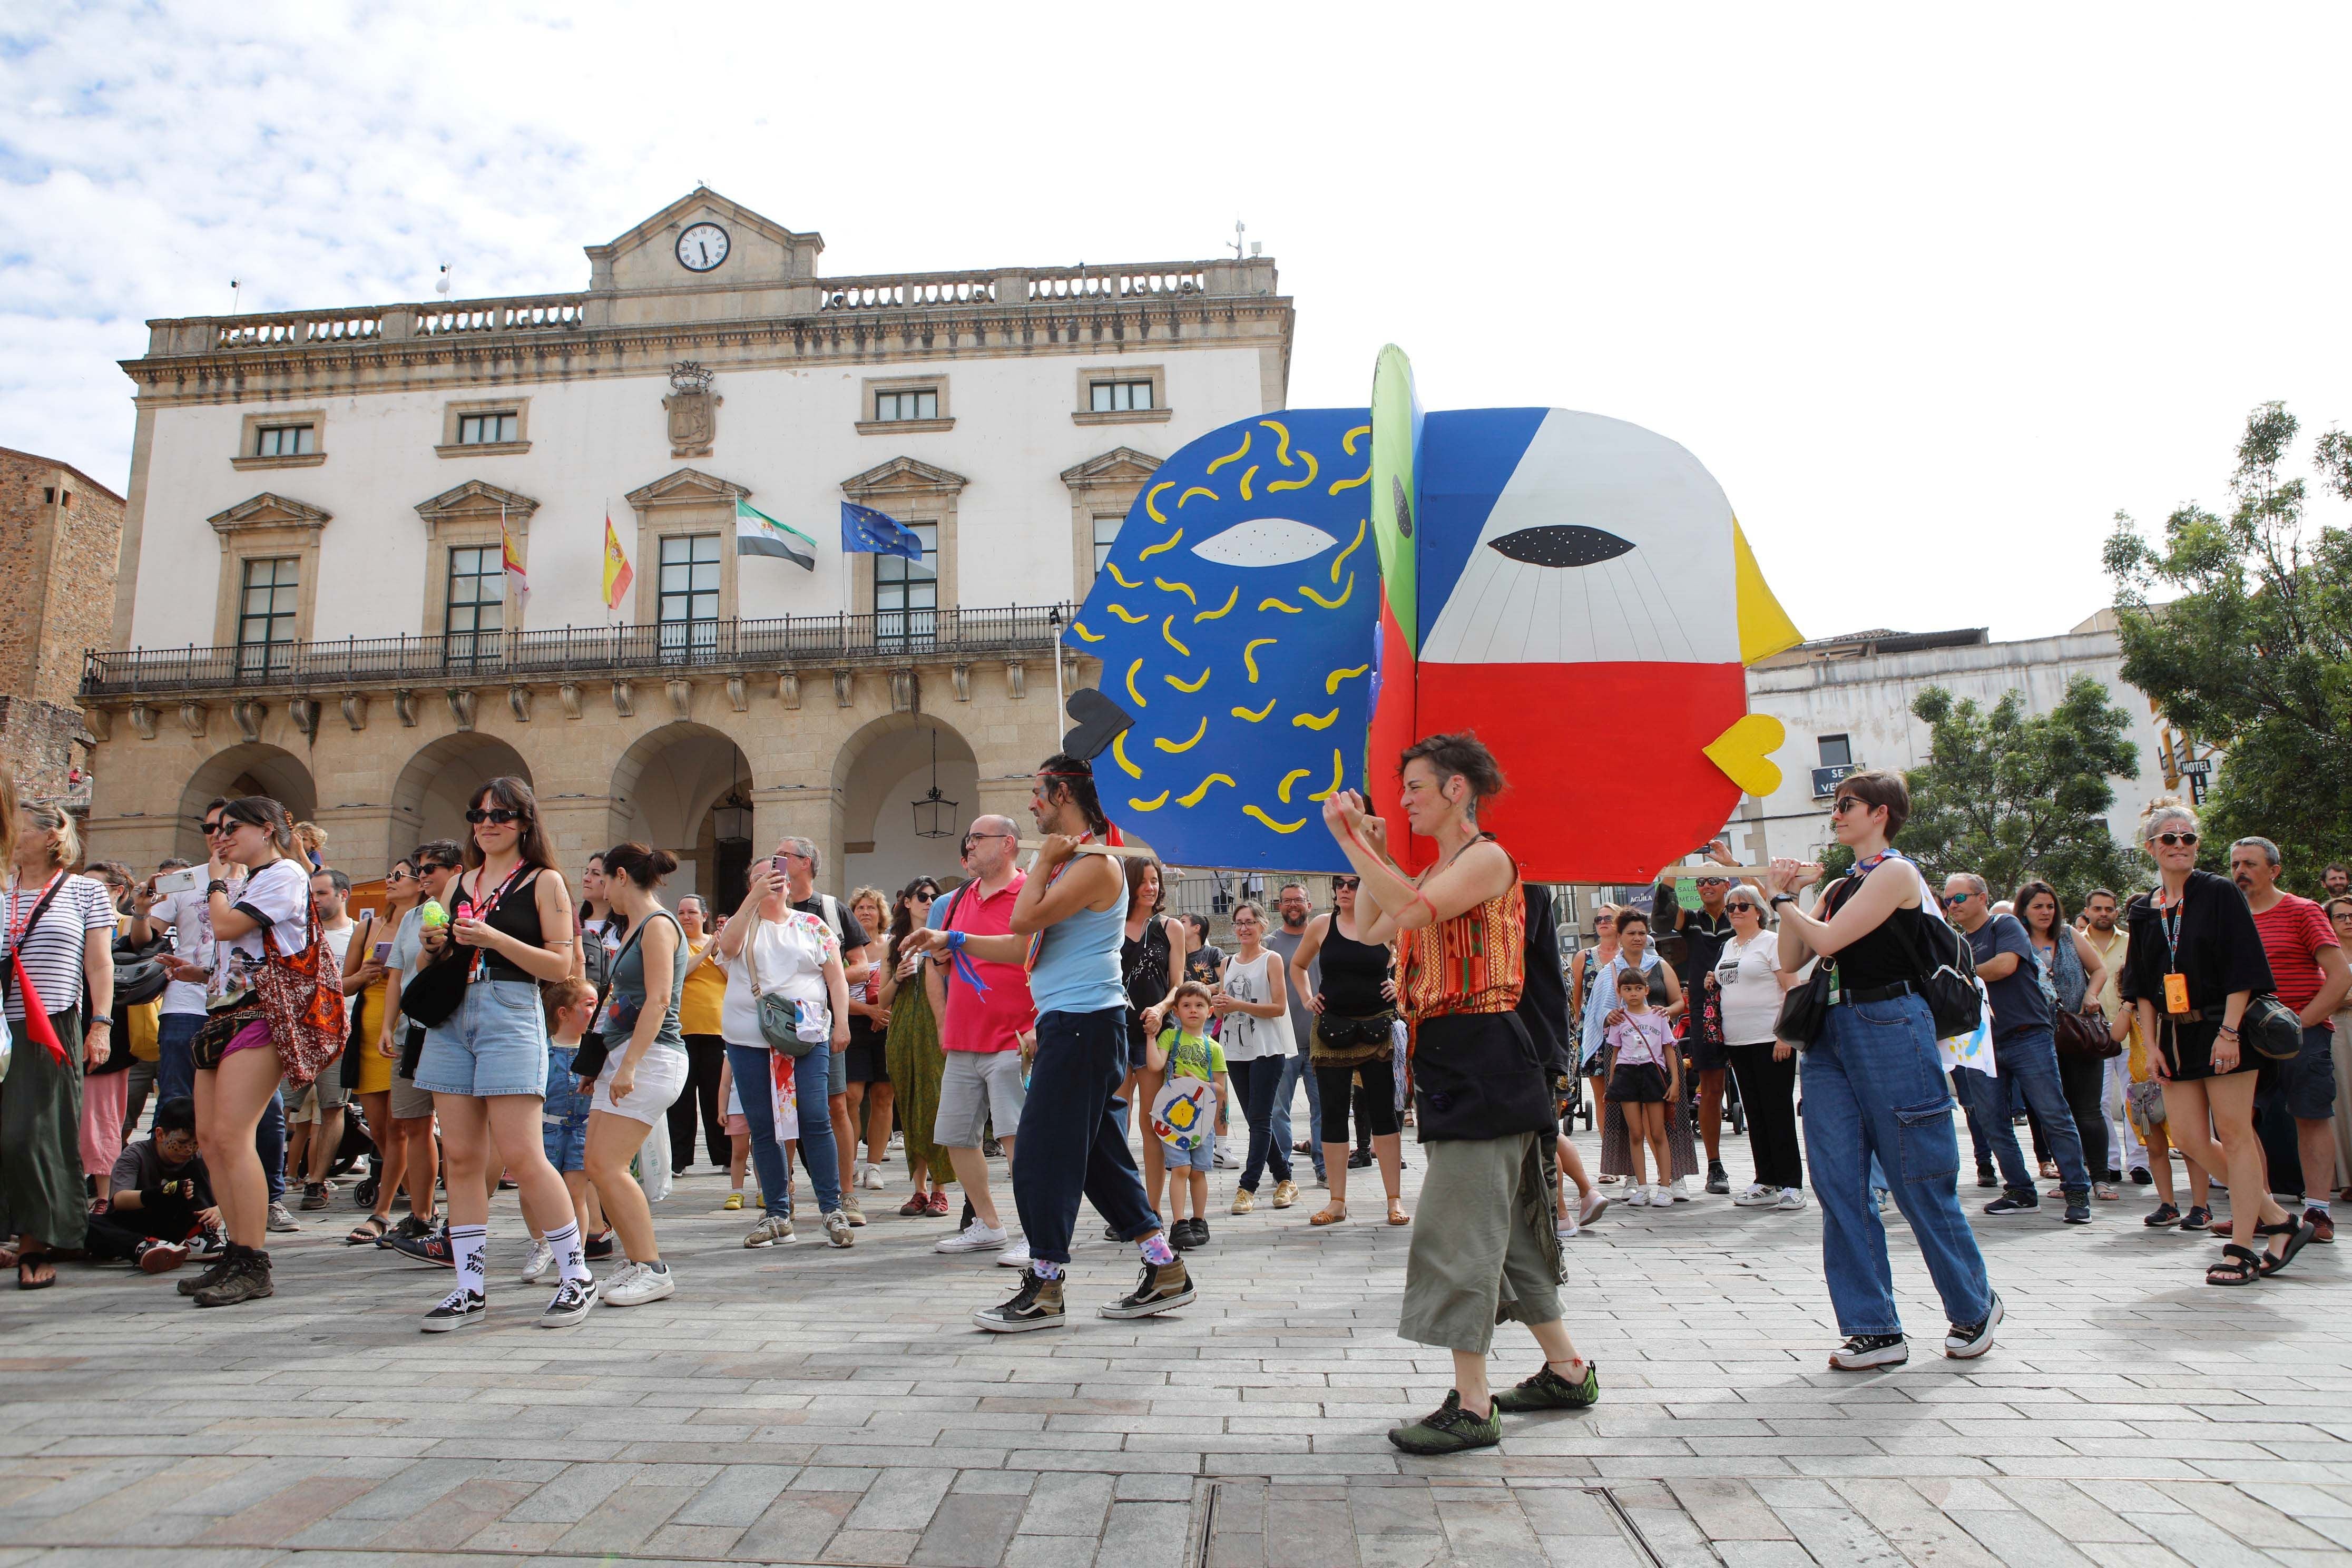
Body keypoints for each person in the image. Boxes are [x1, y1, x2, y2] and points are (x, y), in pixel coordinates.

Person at [1317, 733, 1596, 1455]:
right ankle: (1567, 1369)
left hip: (1485, 1054)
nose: (1403, 798)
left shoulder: (1487, 859)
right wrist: (1370, 851)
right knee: (1508, 1241)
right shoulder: (1437, 866)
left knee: (1455, 1233)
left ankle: (1473, 1405)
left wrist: (1354, 841)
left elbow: (1408, 913)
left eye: (1414, 786)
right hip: (1456, 1057)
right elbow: (1375, 926)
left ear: (1456, 790)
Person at [906, 753, 1190, 1333]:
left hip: (1085, 1026)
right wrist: (954, 937)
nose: (1031, 803)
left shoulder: (1095, 864)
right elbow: (1026, 950)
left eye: (1037, 792)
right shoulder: (1072, 864)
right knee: (1097, 1162)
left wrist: (1040, 863)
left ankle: (1046, 1285)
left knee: (1039, 1157)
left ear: (1063, 795)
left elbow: (1022, 922)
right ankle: (1164, 1269)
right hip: (1076, 1025)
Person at [1765, 770, 2001, 1371]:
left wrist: (1784, 900)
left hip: (1891, 1022)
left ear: (1881, 814)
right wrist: (1789, 899)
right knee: (1839, 1181)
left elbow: (1830, 940)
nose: (1836, 814)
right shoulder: (1841, 884)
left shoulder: (1897, 872)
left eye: (1847, 805)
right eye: (1837, 804)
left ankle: (1973, 1305)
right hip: (1832, 1032)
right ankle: (1873, 1326)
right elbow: (1793, 954)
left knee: (1917, 1175)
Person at [408, 778, 592, 1331]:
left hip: (509, 1010)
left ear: (525, 822)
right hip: (452, 1017)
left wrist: (493, 938)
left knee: (522, 1153)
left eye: (503, 815)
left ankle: (576, 1275)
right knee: (462, 1158)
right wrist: (436, 947)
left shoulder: (545, 881)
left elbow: (561, 967)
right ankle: (469, 1288)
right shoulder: (459, 882)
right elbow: (431, 962)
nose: (489, 823)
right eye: (479, 813)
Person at [2120, 800, 2313, 1283]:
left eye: (2189, 838)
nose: (2181, 846)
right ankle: (2280, 1220)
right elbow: (2141, 983)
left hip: (2223, 1026)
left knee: (2236, 1133)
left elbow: (2244, 967)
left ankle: (2242, 1247)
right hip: (2173, 1033)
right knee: (2185, 1137)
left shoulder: (2220, 892)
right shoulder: (2145, 909)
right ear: (2151, 849)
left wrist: (2229, 1033)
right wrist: (2153, 1041)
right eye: (2170, 839)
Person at [172, 796, 316, 1307]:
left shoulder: (284, 875)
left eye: (233, 827)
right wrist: (197, 972)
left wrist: (214, 880)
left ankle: (254, 1261)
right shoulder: (252, 881)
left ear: (269, 830)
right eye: (214, 828)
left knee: (234, 1136)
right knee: (211, 1139)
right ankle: (236, 1251)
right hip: (223, 1013)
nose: (221, 836)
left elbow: (230, 926)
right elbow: (238, 949)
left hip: (261, 1016)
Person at [1, 790, 116, 1291]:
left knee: (31, 1136)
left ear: (51, 836)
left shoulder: (84, 893)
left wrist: (101, 1024)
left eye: (19, 825)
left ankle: (36, 1242)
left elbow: (99, 964)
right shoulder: (0, 888)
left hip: (48, 1027)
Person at [717, 845, 853, 1249]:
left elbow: (837, 979)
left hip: (807, 1036)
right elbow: (727, 949)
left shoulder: (812, 926)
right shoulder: (744, 925)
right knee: (764, 1126)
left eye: (775, 876)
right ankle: (777, 1214)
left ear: (791, 882)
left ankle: (832, 1208)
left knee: (815, 1116)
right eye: (761, 877)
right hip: (749, 1038)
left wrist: (842, 1023)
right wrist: (753, 900)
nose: (771, 882)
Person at [1942, 872, 2093, 1223]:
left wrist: (1961, 975)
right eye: (1949, 900)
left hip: (2027, 1036)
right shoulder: (1957, 942)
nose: (1953, 906)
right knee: (1992, 1121)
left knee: (2053, 1113)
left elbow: (2005, 966)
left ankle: (2077, 1191)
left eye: (1960, 898)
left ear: (1982, 897)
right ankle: (2021, 1190)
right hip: (1983, 1043)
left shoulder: (2005, 925)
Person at [580, 842, 689, 1307]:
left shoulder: (659, 925)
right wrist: (599, 1062)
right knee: (597, 1165)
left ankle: (652, 1267)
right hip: (625, 1056)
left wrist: (626, 1066)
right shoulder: (633, 929)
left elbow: (660, 1000)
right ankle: (635, 1260)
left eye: (603, 878)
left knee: (607, 1165)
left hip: (651, 1058)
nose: (601, 888)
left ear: (620, 876)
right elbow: (616, 1005)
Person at [2230, 837, 2348, 1240]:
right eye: (2235, 865)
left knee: (2311, 1117)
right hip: (2247, 1037)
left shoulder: (2303, 910)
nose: (2240, 871)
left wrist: (2300, 1024)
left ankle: (2318, 1214)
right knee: (2242, 1123)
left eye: (2250, 864)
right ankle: (2263, 1210)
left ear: (2275, 870)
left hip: (2304, 1034)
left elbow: (2341, 976)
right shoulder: (2230, 917)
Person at [356, 844, 460, 1250]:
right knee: (414, 1125)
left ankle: (459, 1220)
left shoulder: (466, 909)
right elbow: (396, 975)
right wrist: (388, 1025)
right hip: (410, 1033)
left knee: (456, 1132)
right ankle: (421, 1215)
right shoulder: (413, 916)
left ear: (455, 870)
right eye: (419, 869)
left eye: (430, 868)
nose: (422, 875)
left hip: (450, 1031)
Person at [1288, 871, 1407, 1227]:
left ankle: (1394, 1200)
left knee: (1384, 1114)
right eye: (1339, 884)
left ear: (1367, 888)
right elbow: (1297, 965)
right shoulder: (1323, 925)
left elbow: (1409, 961)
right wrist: (1308, 998)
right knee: (1334, 1112)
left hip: (1379, 1027)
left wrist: (1397, 985)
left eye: (1353, 884)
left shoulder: (1387, 922)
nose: (1344, 889)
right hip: (1332, 1027)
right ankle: (1337, 1201)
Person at [772, 837, 869, 1227]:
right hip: (778, 1024)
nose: (777, 861)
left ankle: (846, 1195)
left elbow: (861, 966)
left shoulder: (831, 909)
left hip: (821, 1021)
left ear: (806, 863)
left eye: (784, 856)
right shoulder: (768, 907)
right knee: (784, 1111)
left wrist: (817, 980)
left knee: (837, 1105)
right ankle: (786, 1192)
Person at [1652, 841, 1744, 1194]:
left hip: (1745, 1006)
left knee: (1752, 1086)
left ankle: (1767, 1168)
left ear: (1726, 885)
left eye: (1713, 881)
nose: (1706, 886)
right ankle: (1715, 1165)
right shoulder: (1691, 921)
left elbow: (1767, 903)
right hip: (1705, 1010)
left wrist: (1732, 865)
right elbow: (1662, 914)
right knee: (1711, 1088)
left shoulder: (1742, 913)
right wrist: (1676, 859)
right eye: (1701, 881)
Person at [2014, 880, 2114, 1201]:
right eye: (2038, 907)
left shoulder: (2070, 935)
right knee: (2054, 1112)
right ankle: (2072, 1177)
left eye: (2050, 906)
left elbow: (2099, 970)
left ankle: (2101, 1178)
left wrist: (2091, 993)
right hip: (2036, 1039)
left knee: (2088, 1110)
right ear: (2024, 912)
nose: (2046, 912)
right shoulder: (2015, 939)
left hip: (2079, 1033)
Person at [1587, 912, 1693, 1195]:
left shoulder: (1659, 965)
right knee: (1626, 1120)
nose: (1637, 938)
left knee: (1669, 1116)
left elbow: (1678, 1003)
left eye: (1642, 933)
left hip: (1660, 1047)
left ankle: (1674, 1177)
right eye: (1631, 933)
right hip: (1623, 1051)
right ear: (1620, 936)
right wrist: (1608, 1017)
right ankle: (1634, 1177)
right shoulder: (1609, 970)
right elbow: (1597, 1011)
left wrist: (1665, 1012)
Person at [1713, 885, 1805, 1209]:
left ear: (1758, 911)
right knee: (1754, 1111)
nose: (1736, 912)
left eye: (1742, 906)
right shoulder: (1728, 946)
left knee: (1777, 1110)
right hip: (1738, 1040)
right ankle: (1765, 1178)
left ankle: (1792, 1183)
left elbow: (1791, 989)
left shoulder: (1772, 943)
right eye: (1730, 908)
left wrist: (1784, 1036)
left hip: (1770, 1038)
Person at [1118, 857, 1188, 1224]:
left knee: (1150, 1123)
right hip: (1114, 1033)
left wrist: (1161, 1009)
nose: (1152, 887)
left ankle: (1151, 1208)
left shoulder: (1169, 928)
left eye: (1156, 880)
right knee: (1115, 1123)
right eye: (1144, 881)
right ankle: (1121, 1208)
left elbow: (1178, 984)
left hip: (1153, 1035)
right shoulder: (1108, 924)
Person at [283, 867, 356, 1210]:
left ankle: (316, 1182)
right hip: (297, 1035)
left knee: (332, 1107)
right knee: (279, 1106)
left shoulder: (359, 934)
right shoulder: (297, 935)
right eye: (311, 894)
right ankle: (271, 1176)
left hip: (339, 1035)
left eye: (322, 894)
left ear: (343, 895)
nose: (314, 900)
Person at [1216, 900, 1292, 1215]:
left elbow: (1279, 1008)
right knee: (1255, 1118)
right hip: (1235, 1048)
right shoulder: (1227, 963)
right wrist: (1220, 1006)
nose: (1244, 928)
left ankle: (1247, 1186)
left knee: (1260, 1120)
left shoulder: (1271, 960)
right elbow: (1224, 1006)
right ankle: (1285, 1177)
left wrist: (1238, 1005)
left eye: (1249, 922)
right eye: (1239, 922)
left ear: (1262, 925)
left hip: (1267, 1047)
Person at [82, 1096, 218, 1273]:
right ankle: (142, 1247)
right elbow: (120, 1200)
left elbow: (226, 1191)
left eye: (195, 1144)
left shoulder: (196, 1158)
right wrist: (162, 1193)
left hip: (173, 1226)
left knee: (199, 1167)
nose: (189, 1150)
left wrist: (217, 1210)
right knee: (82, 1221)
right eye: (182, 1143)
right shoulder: (135, 1155)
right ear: (161, 1135)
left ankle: (200, 1236)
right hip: (133, 1224)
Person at [880, 875, 950, 1217]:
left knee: (935, 1106)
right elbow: (882, 1000)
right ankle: (919, 1190)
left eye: (934, 897)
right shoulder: (894, 944)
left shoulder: (945, 937)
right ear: (907, 901)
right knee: (909, 1109)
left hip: (936, 1029)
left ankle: (940, 1189)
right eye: (922, 896)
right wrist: (899, 975)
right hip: (904, 1031)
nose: (928, 901)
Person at [523, 977, 599, 1285]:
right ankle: (541, 1243)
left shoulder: (595, 1050)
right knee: (531, 1193)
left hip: (581, 1131)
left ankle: (574, 1257)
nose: (595, 1011)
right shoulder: (542, 1048)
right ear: (564, 1013)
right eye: (589, 1005)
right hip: (545, 1130)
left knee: (576, 1194)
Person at [1150, 982, 1230, 1247]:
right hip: (1173, 1119)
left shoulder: (1214, 1048)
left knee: (1198, 1171)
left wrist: (1202, 1084)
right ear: (1176, 1010)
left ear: (1209, 1012)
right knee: (1181, 1168)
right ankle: (1178, 1222)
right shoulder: (1170, 1038)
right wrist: (1151, 1037)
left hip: (1202, 1120)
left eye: (1199, 1006)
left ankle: (1199, 1221)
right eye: (1186, 1005)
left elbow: (1220, 1088)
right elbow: (1155, 1065)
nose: (1193, 1010)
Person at [2079, 889, 2146, 1185]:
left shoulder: (2132, 943)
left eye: (2109, 909)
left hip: (2132, 1032)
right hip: (2092, 1035)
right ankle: (2109, 1162)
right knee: (2101, 1101)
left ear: (2117, 913)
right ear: (2088, 911)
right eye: (2098, 909)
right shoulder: (2076, 943)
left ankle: (2140, 1162)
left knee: (2136, 1100)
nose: (2103, 913)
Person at [1266, 880, 1327, 1187]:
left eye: (1299, 900)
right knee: (1279, 1111)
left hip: (1321, 1039)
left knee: (1324, 1109)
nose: (1293, 905)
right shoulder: (1269, 944)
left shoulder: (1324, 938)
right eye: (1287, 901)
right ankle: (1283, 1171)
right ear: (1279, 907)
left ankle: (1325, 1167)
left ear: (1309, 905)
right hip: (1283, 1041)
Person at [1603, 968, 1681, 1206]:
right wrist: (1612, 1084)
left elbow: (1669, 1048)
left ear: (1647, 990)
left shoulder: (1658, 1016)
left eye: (1638, 988)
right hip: (1627, 1074)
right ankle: (1641, 1186)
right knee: (1635, 1133)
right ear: (1620, 992)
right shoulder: (1619, 1019)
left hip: (1652, 1072)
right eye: (1627, 989)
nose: (1633, 993)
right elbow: (1615, 1053)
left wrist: (1675, 1081)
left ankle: (1666, 1187)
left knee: (1657, 1132)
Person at [669, 895, 731, 1179]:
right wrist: (706, 951)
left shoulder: (719, 946)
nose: (685, 917)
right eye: (681, 912)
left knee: (716, 1096)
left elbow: (734, 977)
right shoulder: (675, 944)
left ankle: (727, 1157)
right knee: (681, 1099)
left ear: (704, 916)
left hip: (717, 1031)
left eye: (692, 912)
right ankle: (678, 1159)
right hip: (681, 1031)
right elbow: (676, 975)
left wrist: (717, 953)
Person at [841, 885, 895, 1192]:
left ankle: (874, 1166)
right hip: (854, 1024)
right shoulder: (845, 949)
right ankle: (849, 1163)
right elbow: (834, 990)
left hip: (885, 1025)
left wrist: (882, 1012)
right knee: (851, 1096)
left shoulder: (891, 946)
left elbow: (900, 982)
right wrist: (868, 1011)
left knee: (884, 1097)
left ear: (881, 914)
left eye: (871, 908)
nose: (865, 912)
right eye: (859, 908)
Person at [2326, 894, 2352, 1198]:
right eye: (2341, 916)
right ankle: (2345, 1178)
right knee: (2341, 1101)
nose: (2348, 921)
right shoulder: (2324, 954)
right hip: (2336, 1031)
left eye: (2351, 915)